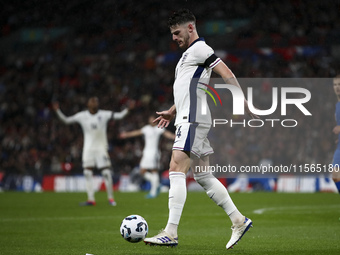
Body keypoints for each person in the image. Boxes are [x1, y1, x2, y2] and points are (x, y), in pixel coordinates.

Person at [143, 9, 257, 250]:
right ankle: (238, 220)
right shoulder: (187, 56)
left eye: (177, 32)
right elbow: (189, 88)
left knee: (176, 168)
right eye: (172, 34)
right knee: (203, 176)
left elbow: (228, 74)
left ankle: (170, 232)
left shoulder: (200, 50)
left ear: (191, 28)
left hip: (192, 119)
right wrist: (172, 111)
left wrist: (241, 102)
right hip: (190, 117)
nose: (174, 38)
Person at [52, 97, 134, 206]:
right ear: (88, 104)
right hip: (88, 149)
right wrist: (57, 111)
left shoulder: (104, 114)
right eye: (92, 101)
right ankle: (91, 199)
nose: (94, 102)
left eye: (96, 101)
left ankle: (111, 198)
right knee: (87, 172)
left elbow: (119, 116)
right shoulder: (82, 116)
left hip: (101, 148)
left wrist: (128, 109)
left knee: (106, 173)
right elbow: (66, 120)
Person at [120, 115, 175, 198]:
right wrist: (126, 134)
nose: (151, 121)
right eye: (150, 119)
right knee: (142, 171)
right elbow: (136, 132)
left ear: (156, 120)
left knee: (153, 171)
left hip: (154, 153)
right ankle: (156, 185)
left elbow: (168, 134)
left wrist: (175, 137)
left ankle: (153, 192)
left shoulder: (159, 128)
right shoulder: (146, 128)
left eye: (153, 119)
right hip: (146, 153)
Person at [332, 75, 340, 193]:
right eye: (335, 84)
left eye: (339, 84)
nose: (337, 87)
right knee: (335, 176)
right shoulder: (337, 104)